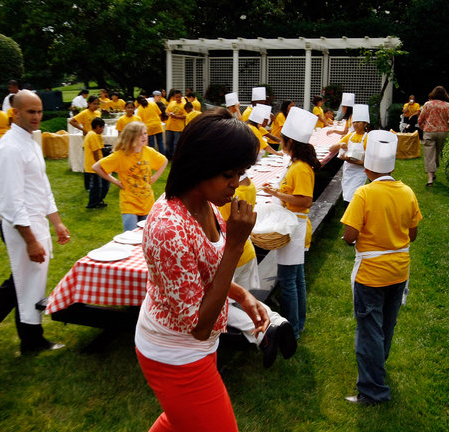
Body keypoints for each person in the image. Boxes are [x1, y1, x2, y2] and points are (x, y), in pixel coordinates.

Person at [135, 108, 269, 431]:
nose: (236, 184)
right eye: (228, 174)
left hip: (195, 346)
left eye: (240, 172)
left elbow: (206, 273)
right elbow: (198, 324)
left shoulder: (206, 205)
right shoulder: (169, 227)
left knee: (179, 421)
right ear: (200, 166)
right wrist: (236, 244)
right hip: (174, 351)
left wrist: (242, 295)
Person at [0, 90, 70, 355]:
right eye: (31, 112)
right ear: (15, 112)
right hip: (22, 225)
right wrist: (31, 240)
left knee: (21, 283)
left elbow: (42, 187)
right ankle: (32, 341)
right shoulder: (10, 148)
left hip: (36, 221)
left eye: (39, 111)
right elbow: (11, 201)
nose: (36, 117)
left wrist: (56, 222)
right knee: (28, 283)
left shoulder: (30, 140)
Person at [341, 129, 422, 405]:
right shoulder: (408, 192)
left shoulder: (363, 194)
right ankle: (377, 369)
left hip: (371, 274)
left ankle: (373, 390)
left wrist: (352, 236)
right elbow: (412, 234)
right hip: (399, 269)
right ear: (393, 165)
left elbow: (350, 235)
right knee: (387, 324)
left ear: (366, 167)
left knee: (369, 330)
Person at [219, 174, 297, 368]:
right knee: (242, 300)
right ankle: (277, 321)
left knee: (220, 306)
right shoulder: (249, 186)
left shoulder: (226, 197)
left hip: (230, 256)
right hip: (246, 251)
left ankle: (263, 331)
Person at [263, 107, 320, 339]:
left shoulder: (301, 169)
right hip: (293, 223)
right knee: (296, 278)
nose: (281, 144)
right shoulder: (295, 164)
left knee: (288, 281)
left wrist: (278, 195)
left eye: (284, 141)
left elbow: (305, 199)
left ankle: (293, 329)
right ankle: (299, 324)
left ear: (291, 143)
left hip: (293, 227)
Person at [93, 121, 167, 231]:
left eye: (145, 133)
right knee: (130, 235)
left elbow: (164, 161)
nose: (144, 137)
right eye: (140, 134)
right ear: (131, 136)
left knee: (146, 236)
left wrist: (155, 177)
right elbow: (96, 167)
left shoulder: (148, 152)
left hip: (147, 203)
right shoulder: (120, 156)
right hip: (129, 204)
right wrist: (116, 182)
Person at [329, 104, 370, 204]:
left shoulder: (367, 138)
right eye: (354, 122)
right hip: (347, 172)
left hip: (359, 173)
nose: (355, 124)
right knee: (347, 196)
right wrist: (340, 145)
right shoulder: (350, 136)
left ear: (365, 124)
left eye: (358, 122)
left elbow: (367, 163)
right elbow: (331, 149)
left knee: (352, 198)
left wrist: (348, 159)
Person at [418, 85, 449, 187]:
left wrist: (423, 127)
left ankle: (430, 179)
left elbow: (420, 119)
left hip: (429, 131)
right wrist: (447, 124)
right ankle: (433, 173)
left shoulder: (427, 104)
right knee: (437, 153)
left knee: (429, 154)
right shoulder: (447, 105)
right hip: (442, 132)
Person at [83, 117, 109, 209]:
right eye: (102, 128)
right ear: (98, 127)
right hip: (93, 166)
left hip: (92, 165)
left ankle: (98, 201)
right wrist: (100, 164)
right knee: (97, 186)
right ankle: (93, 204)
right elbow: (95, 152)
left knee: (101, 185)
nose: (102, 130)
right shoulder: (93, 135)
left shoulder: (90, 134)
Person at [165, 88, 187, 159]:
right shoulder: (171, 103)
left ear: (182, 96)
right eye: (176, 97)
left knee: (176, 143)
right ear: (174, 97)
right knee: (168, 142)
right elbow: (166, 112)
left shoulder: (184, 104)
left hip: (178, 127)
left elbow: (185, 115)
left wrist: (176, 116)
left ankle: (175, 157)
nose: (178, 98)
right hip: (170, 126)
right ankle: (168, 156)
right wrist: (169, 114)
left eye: (179, 97)